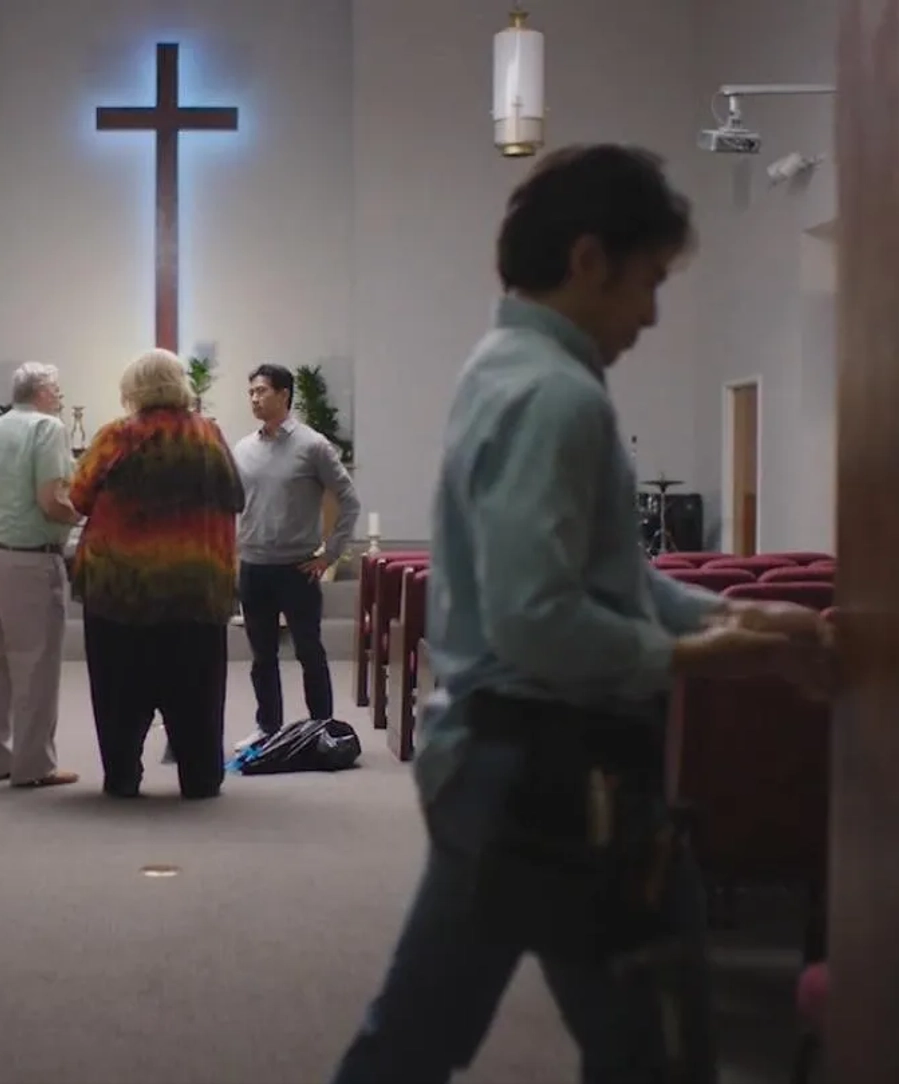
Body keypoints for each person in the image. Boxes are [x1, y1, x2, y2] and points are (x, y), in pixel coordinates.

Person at [328, 145, 835, 1084]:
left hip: (513, 760)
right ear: (590, 259)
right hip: (553, 770)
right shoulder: (553, 396)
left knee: (423, 1039)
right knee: (651, 1052)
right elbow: (539, 624)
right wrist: (716, 660)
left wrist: (741, 619)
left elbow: (613, 579)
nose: (649, 315)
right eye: (648, 282)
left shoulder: (507, 366)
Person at [69, 349, 245, 799]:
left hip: (122, 591)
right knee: (198, 692)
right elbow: (236, 497)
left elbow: (79, 496)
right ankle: (201, 777)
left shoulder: (117, 437)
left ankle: (123, 777)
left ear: (133, 391)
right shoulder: (210, 437)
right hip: (195, 588)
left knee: (118, 693)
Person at [232, 363, 361, 748]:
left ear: (284, 394)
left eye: (262, 391)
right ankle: (268, 727)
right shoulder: (243, 449)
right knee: (262, 656)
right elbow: (234, 503)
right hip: (254, 566)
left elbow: (349, 501)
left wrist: (330, 554)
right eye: (251, 392)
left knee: (309, 650)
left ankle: (321, 727)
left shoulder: (312, 445)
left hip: (298, 567)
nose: (255, 398)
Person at [0, 361, 81, 789]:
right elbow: (51, 500)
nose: (61, 396)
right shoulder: (47, 428)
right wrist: (87, 515)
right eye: (57, 388)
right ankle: (34, 764)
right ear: (43, 391)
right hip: (29, 558)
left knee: (0, 661)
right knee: (35, 662)